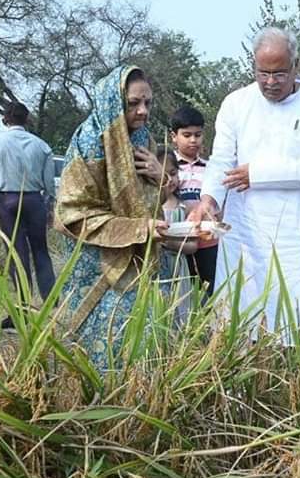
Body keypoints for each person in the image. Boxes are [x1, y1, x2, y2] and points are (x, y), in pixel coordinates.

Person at [190, 26, 300, 396]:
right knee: (238, 315)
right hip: (245, 231)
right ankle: (240, 397)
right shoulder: (236, 103)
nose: (271, 82)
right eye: (263, 73)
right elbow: (222, 161)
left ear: (296, 67)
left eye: (279, 73)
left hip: (297, 233)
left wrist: (259, 175)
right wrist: (208, 200)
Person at [55, 65, 168, 367]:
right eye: (133, 103)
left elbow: (149, 200)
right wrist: (138, 229)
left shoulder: (142, 139)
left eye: (148, 103)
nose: (143, 111)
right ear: (112, 101)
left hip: (143, 258)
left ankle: (142, 401)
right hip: (100, 264)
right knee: (103, 345)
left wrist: (162, 179)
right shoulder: (90, 143)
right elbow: (74, 215)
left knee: (144, 342)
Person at [0, 104, 57, 300]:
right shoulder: (42, 145)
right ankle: (51, 299)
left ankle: (23, 302)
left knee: (16, 253)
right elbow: (49, 184)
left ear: (5, 120)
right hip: (35, 201)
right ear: (27, 119)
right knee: (40, 249)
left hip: (9, 202)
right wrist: (51, 206)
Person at [170, 105, 218, 294]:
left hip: (207, 242)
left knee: (210, 291)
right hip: (178, 241)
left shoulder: (211, 168)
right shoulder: (168, 167)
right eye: (187, 135)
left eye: (197, 135)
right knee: (181, 292)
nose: (193, 140)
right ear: (174, 136)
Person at [157, 147, 197, 322]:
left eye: (173, 173)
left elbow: (192, 245)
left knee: (180, 311)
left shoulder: (184, 207)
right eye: (161, 174)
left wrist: (169, 242)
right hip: (154, 269)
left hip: (178, 269)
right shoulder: (148, 207)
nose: (169, 179)